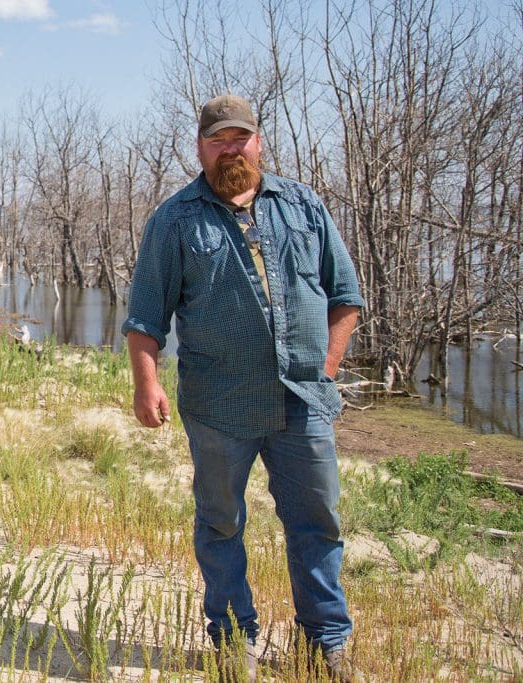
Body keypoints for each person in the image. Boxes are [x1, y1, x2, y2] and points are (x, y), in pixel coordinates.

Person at [121, 94, 363, 682]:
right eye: (218, 140)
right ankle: (234, 641)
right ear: (200, 147)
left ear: (258, 141)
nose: (231, 149)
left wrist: (326, 371)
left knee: (317, 521)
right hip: (218, 407)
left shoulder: (303, 206)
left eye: (240, 138)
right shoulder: (175, 220)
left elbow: (345, 297)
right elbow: (146, 317)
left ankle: (326, 641)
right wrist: (146, 384)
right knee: (222, 522)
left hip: (303, 401)